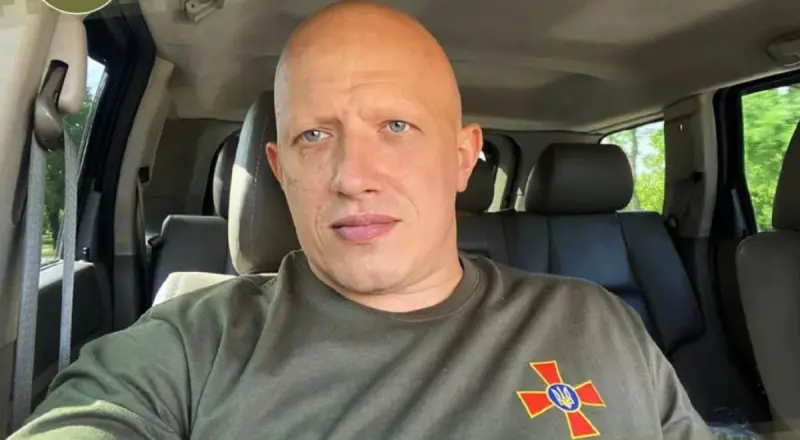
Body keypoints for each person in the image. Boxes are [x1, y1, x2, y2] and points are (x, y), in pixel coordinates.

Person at [10, 1, 713, 439]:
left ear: (461, 158)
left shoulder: (598, 323)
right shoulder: (191, 346)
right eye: (315, 136)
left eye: (397, 126)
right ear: (281, 170)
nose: (352, 176)